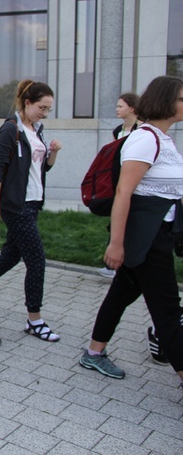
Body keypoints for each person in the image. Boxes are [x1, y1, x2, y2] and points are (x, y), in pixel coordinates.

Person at [79, 75, 183, 390]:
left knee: (122, 292)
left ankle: (94, 352)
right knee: (167, 310)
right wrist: (116, 244)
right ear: (166, 101)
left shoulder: (165, 139)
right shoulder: (145, 139)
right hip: (146, 240)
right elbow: (124, 193)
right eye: (181, 97)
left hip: (156, 234)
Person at [0, 80, 62, 342]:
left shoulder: (37, 130)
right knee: (37, 260)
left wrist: (52, 153)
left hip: (33, 202)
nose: (45, 112)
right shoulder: (12, 129)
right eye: (42, 107)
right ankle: (35, 320)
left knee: (10, 256)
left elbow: (42, 169)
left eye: (48, 109)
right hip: (14, 204)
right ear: (27, 103)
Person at [99, 93, 141, 278]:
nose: (117, 109)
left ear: (132, 108)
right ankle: (112, 263)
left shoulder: (141, 130)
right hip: (118, 178)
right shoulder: (118, 130)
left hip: (134, 180)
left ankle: (124, 262)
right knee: (116, 219)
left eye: (120, 106)